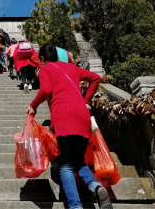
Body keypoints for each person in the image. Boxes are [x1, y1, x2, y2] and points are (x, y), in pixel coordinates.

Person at [26, 44, 111, 209]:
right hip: (83, 118)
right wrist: (85, 100)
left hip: (63, 117)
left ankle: (75, 206)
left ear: (42, 59)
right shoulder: (72, 68)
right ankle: (97, 187)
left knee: (65, 164)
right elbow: (95, 78)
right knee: (78, 162)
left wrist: (33, 105)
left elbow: (45, 90)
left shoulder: (45, 69)